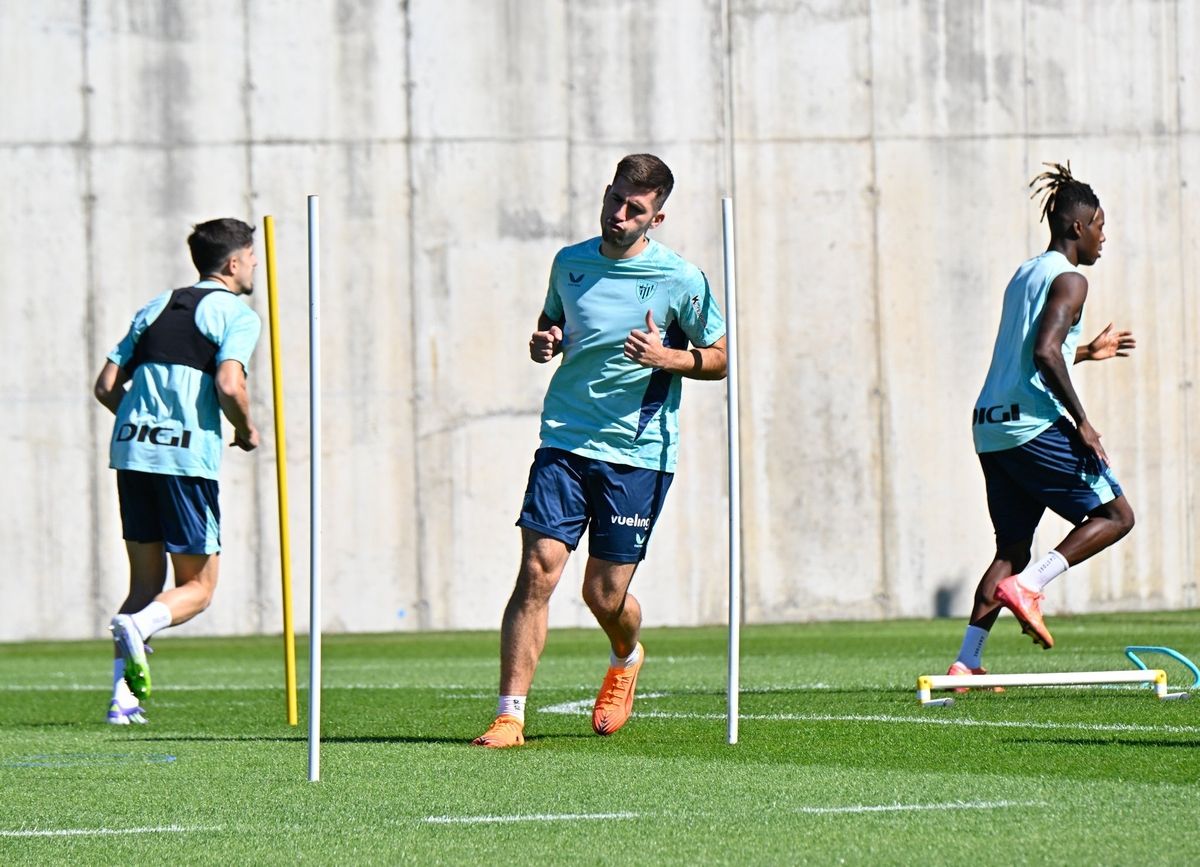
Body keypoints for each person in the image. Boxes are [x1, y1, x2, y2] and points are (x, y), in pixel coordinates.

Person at [472, 154, 728, 747]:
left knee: (603, 594)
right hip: (564, 439)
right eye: (614, 199)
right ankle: (511, 715)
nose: (618, 213)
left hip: (636, 453)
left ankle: (626, 654)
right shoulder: (570, 263)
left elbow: (717, 358)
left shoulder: (680, 279)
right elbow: (553, 322)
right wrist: (545, 340)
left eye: (634, 208)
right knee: (538, 572)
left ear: (656, 217)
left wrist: (667, 358)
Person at [948, 163, 1136, 688]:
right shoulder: (1072, 279)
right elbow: (1045, 350)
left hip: (990, 427)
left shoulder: (1025, 273)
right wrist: (1084, 422)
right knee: (1117, 515)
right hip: (1031, 425)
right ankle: (1029, 587)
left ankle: (967, 662)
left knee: (1011, 547)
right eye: (1100, 225)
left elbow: (1030, 356)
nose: (1104, 236)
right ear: (1077, 227)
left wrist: (1087, 353)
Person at [93, 218, 262, 724]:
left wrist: (142, 423)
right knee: (200, 588)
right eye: (252, 257)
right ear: (233, 263)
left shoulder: (157, 304)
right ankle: (140, 628)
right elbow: (230, 384)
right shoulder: (237, 313)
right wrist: (248, 430)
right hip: (184, 460)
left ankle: (123, 703)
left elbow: (106, 386)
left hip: (131, 452)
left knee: (145, 582)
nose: (255, 264)